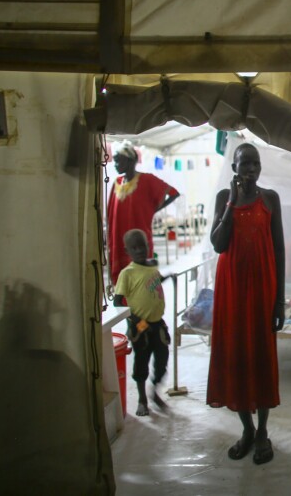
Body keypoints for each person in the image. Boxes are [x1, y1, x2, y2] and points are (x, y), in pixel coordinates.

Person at [207, 142, 285, 466]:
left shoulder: (270, 199)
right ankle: (247, 429)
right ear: (235, 168)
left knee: (262, 356)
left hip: (263, 288)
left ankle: (264, 431)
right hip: (231, 291)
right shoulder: (223, 200)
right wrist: (231, 204)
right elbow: (218, 244)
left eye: (255, 164)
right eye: (244, 164)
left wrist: (279, 300)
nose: (250, 169)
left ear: (260, 168)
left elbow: (279, 249)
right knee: (236, 355)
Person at [112, 229, 170, 417]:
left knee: (162, 361)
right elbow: (118, 301)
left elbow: (153, 281)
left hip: (157, 323)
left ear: (148, 246)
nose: (139, 251)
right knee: (141, 362)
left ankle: (154, 391)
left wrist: (168, 277)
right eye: (134, 248)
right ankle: (142, 399)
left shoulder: (151, 266)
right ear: (127, 250)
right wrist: (134, 320)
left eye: (142, 246)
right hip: (140, 325)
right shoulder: (127, 273)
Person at [106, 143, 180, 285]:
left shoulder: (146, 180)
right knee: (123, 278)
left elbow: (173, 193)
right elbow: (111, 211)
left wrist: (153, 210)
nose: (115, 164)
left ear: (129, 161)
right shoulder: (117, 182)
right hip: (119, 236)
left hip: (139, 233)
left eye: (118, 160)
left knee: (142, 278)